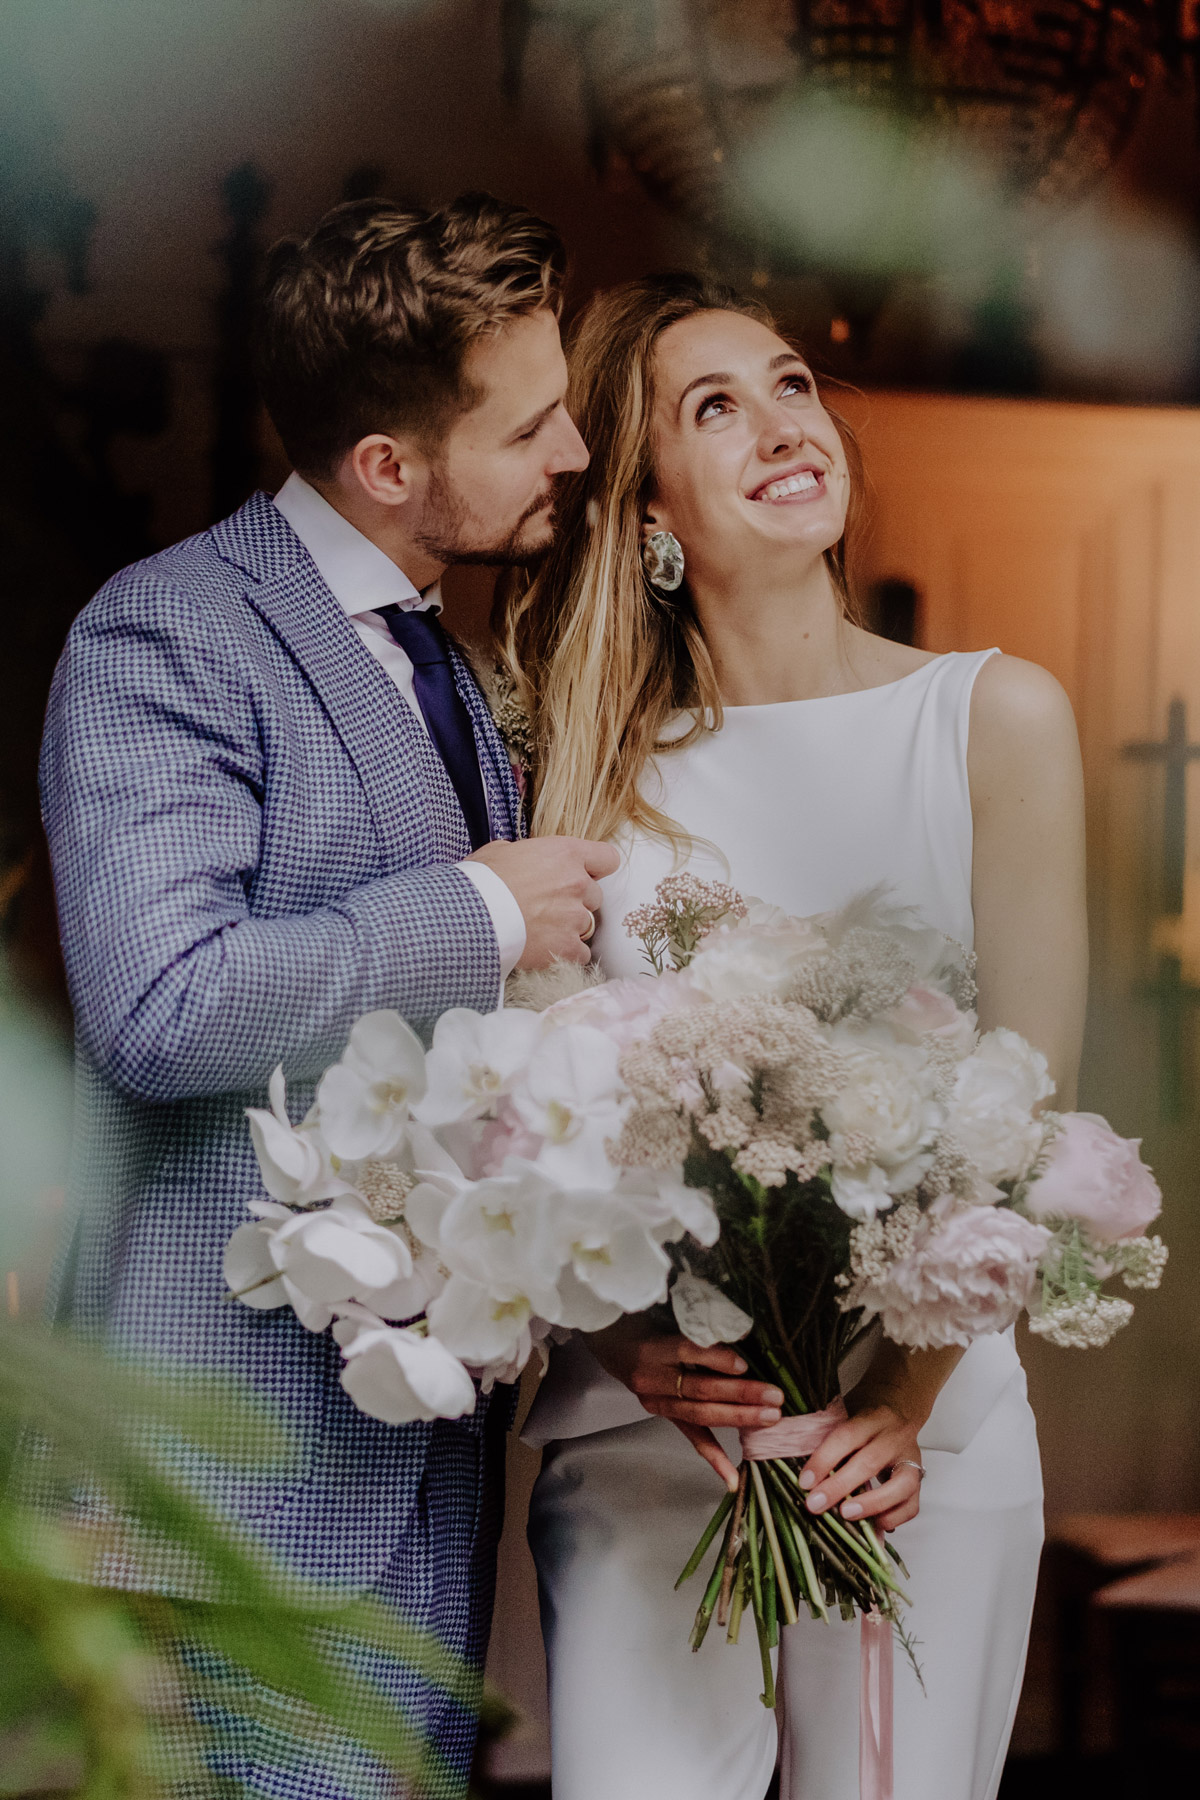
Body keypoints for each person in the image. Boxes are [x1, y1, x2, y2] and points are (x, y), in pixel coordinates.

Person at [38, 193, 615, 1800]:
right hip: (246, 1487)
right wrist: (478, 909)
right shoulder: (167, 632)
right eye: (534, 424)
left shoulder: (441, 655)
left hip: (417, 1468)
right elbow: (161, 1008)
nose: (573, 450)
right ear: (386, 467)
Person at [500, 273, 1088, 1800]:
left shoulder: (994, 719)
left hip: (918, 1442)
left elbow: (1028, 1112)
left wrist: (900, 1403)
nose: (779, 425)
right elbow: (521, 1125)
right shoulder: (580, 779)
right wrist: (622, 1342)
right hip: (651, 1444)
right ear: (647, 515)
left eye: (790, 386)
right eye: (713, 410)